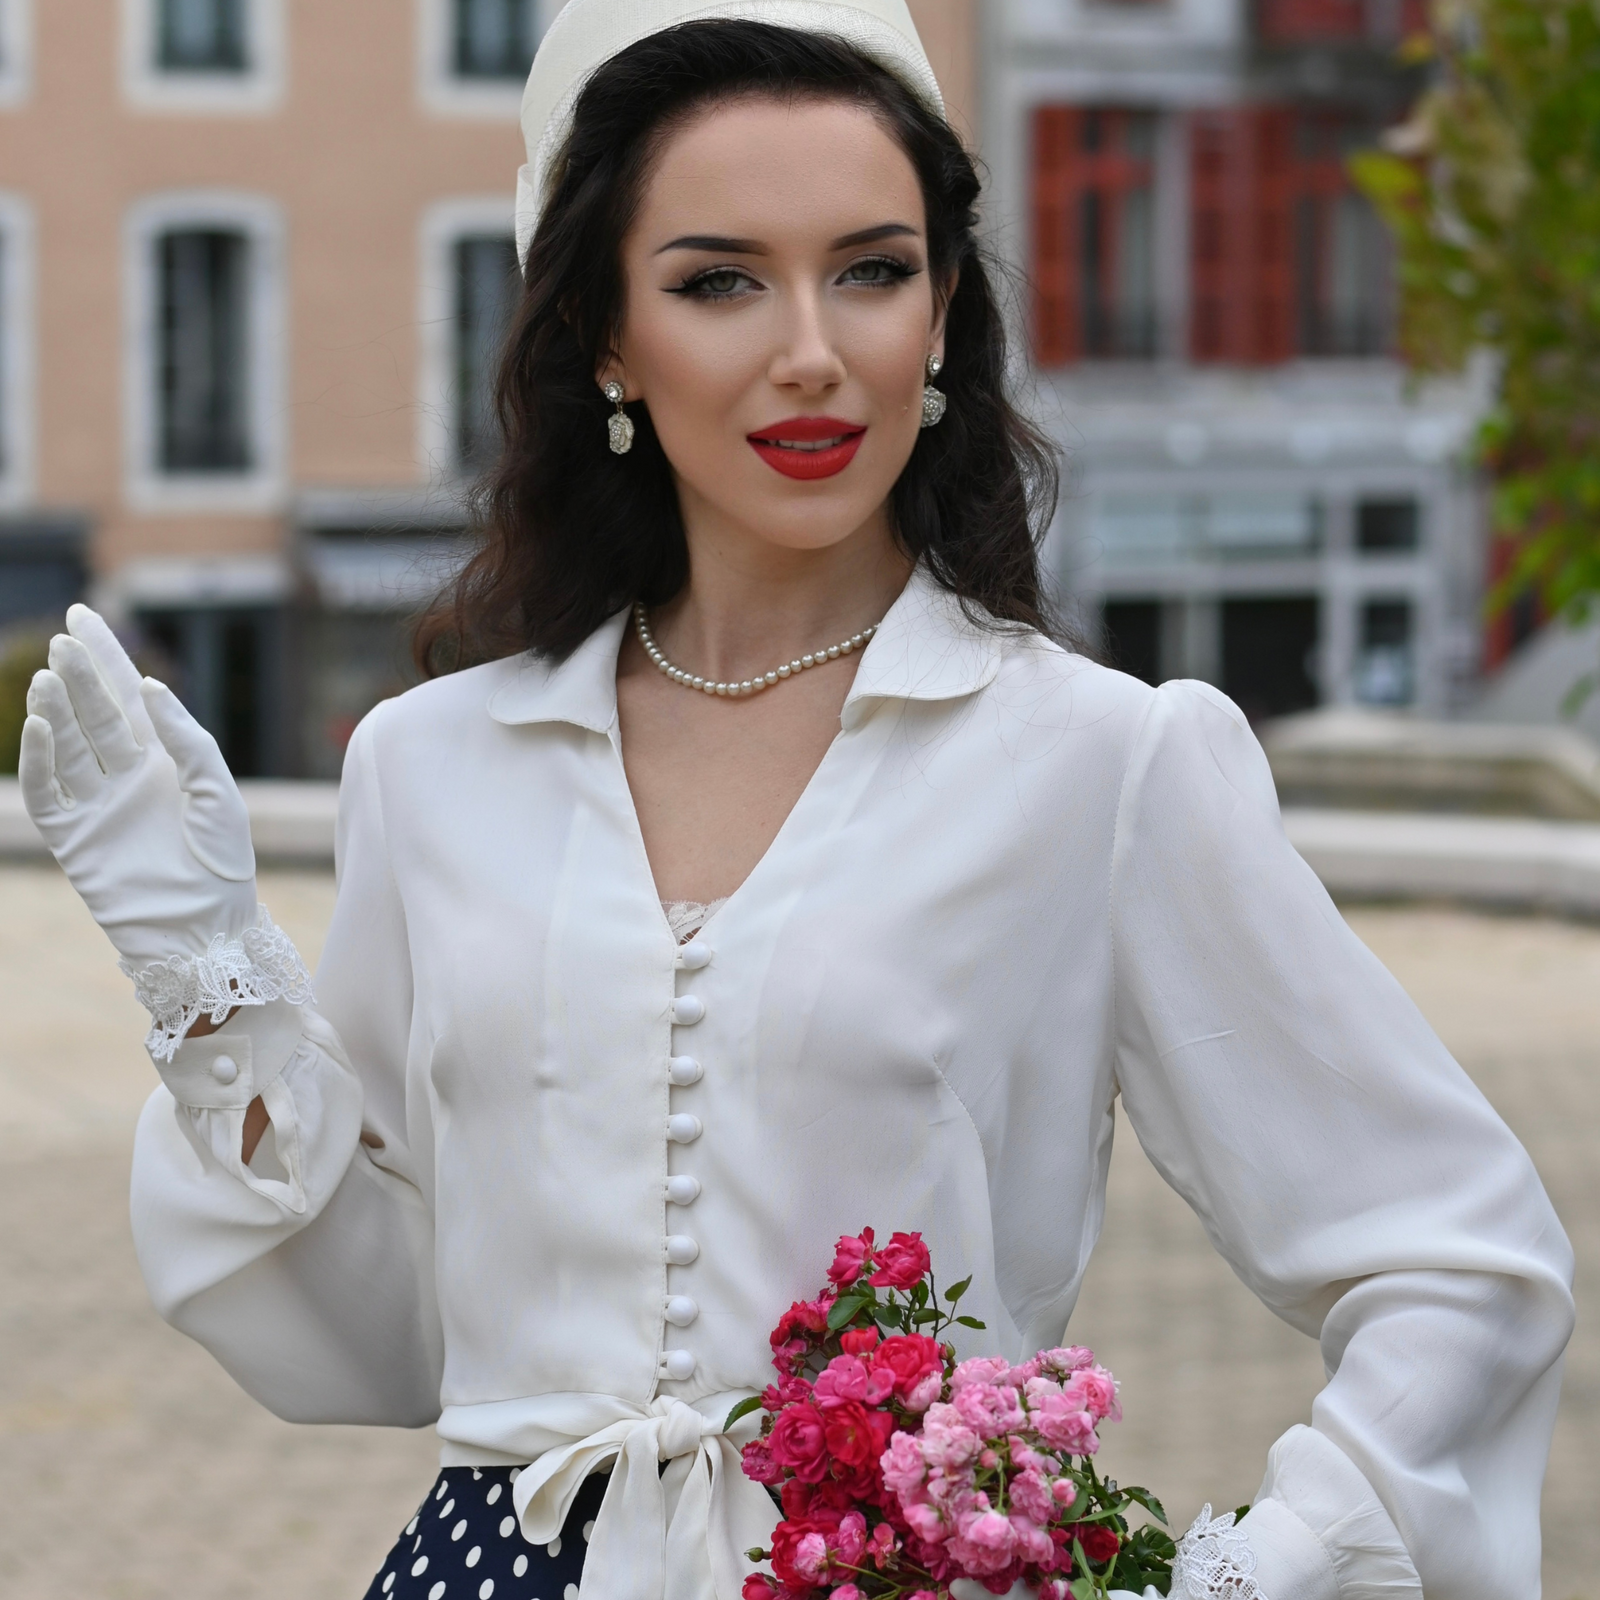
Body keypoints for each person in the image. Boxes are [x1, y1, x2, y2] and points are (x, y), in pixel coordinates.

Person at [21, 4, 1573, 1599]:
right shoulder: (432, 768)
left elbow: (1461, 1260)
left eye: (872, 269)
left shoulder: (1104, 763)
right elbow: (390, 1340)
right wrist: (200, 968)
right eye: (718, 281)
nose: (812, 349)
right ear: (605, 338)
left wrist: (1260, 1571)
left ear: (944, 308)